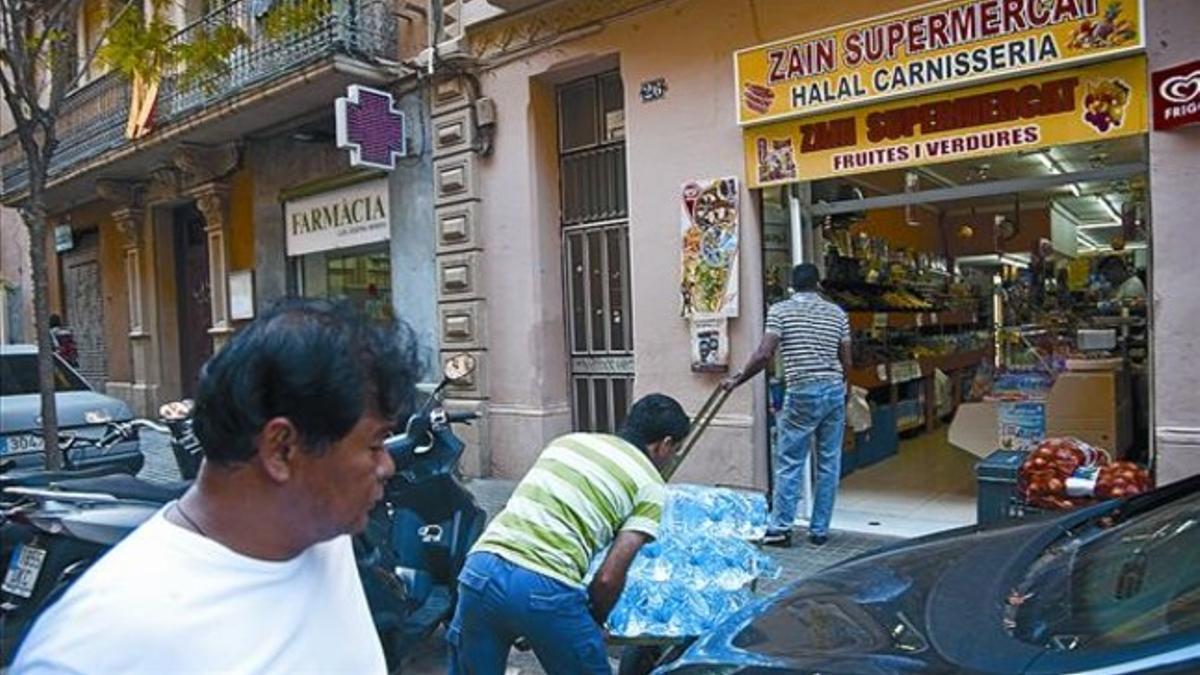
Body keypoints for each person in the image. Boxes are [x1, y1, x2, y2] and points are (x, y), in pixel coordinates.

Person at [12, 298, 421, 675]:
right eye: (374, 444)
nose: (386, 465)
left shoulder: (321, 532)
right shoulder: (100, 648)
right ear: (282, 450)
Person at [447, 394, 690, 675]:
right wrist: (592, 622)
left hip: (480, 569)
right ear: (666, 444)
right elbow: (609, 577)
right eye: (676, 450)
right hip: (545, 585)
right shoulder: (650, 484)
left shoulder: (568, 442)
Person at [722, 263, 850, 548]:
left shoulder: (781, 311)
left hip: (802, 390)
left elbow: (765, 354)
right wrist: (846, 388)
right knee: (829, 463)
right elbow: (846, 357)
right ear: (818, 285)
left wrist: (738, 380)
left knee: (790, 461)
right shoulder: (837, 314)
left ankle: (781, 527)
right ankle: (819, 531)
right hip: (833, 390)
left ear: (792, 286)